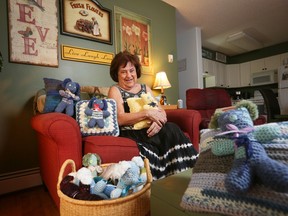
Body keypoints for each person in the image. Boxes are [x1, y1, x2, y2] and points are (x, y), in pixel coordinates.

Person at [108, 51, 198, 180]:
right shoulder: (115, 90)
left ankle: (186, 174)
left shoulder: (145, 88)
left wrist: (158, 122)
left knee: (171, 127)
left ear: (136, 71)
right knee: (171, 130)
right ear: (116, 74)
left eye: (131, 70)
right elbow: (120, 118)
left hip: (152, 130)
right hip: (134, 132)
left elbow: (161, 112)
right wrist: (147, 113)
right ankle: (187, 172)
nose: (129, 75)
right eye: (123, 71)